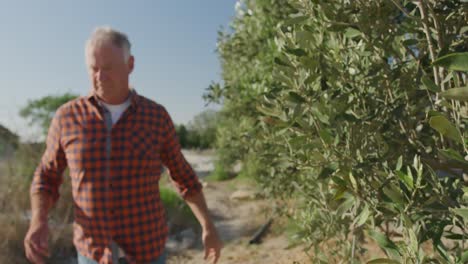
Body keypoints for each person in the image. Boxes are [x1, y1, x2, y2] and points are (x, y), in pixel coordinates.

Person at [24, 26, 223, 264]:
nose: (100, 76)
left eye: (107, 68)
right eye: (93, 68)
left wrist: (207, 225)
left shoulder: (155, 117)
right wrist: (38, 220)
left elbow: (184, 176)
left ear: (130, 65)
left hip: (147, 250)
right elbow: (47, 176)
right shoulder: (67, 117)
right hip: (92, 253)